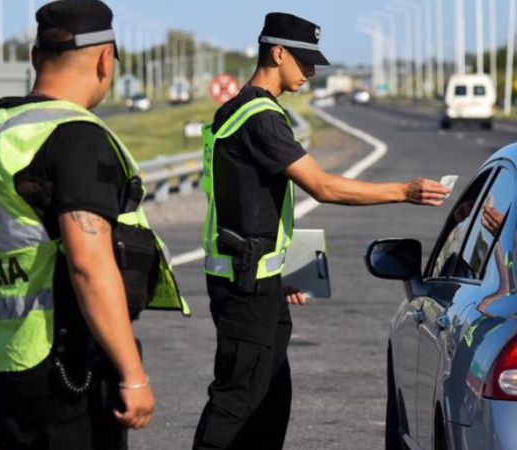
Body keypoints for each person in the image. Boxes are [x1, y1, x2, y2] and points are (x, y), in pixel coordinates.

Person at [193, 12, 451, 450]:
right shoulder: (260, 116)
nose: (311, 72)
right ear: (278, 53)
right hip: (246, 284)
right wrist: (404, 191)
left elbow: (250, 202)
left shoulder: (238, 109)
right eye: (305, 61)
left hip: (258, 277)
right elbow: (323, 187)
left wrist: (283, 271)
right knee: (238, 400)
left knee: (270, 398)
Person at [0, 1, 189, 448]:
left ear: (36, 57)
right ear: (105, 59)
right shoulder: (75, 136)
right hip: (66, 366)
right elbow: (87, 264)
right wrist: (133, 374)